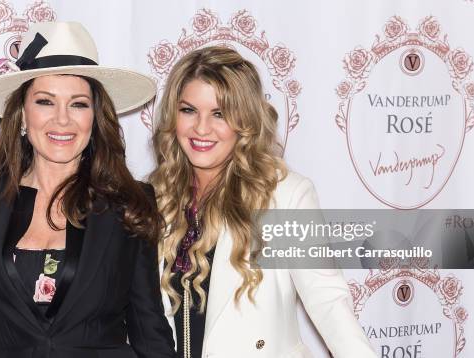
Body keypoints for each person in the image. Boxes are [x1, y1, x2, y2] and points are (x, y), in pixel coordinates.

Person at [0, 21, 176, 358]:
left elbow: (149, 330)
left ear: (95, 117)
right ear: (22, 115)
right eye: (45, 101)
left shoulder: (130, 202)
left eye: (78, 104)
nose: (62, 120)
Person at [149, 46, 377, 358]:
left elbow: (329, 301)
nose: (201, 128)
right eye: (188, 110)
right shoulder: (154, 197)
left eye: (220, 113)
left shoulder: (283, 197)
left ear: (245, 122)